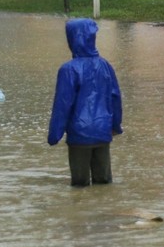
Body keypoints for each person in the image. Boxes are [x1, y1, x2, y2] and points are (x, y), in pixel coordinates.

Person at [47, 18, 123, 187]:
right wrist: (115, 126)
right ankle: (106, 211)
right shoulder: (105, 66)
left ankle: (81, 210)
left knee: (79, 186)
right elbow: (115, 98)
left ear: (71, 39)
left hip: (79, 136)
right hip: (103, 133)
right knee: (104, 184)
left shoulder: (68, 70)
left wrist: (54, 135)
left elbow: (62, 105)